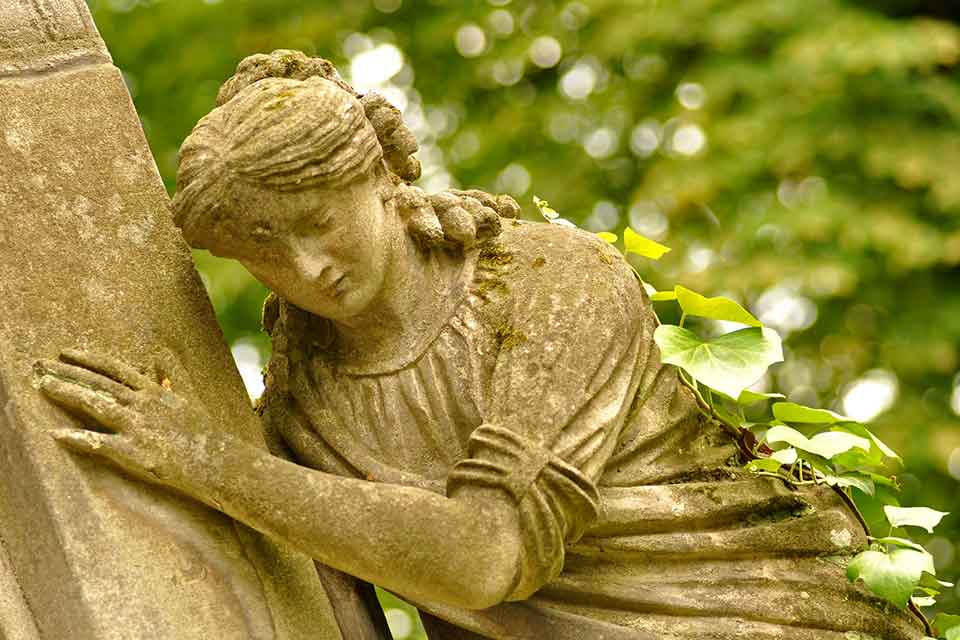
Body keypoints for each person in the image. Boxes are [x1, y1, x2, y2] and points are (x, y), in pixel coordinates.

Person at [36, 51, 927, 640]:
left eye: (318, 222)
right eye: (265, 251)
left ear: (382, 178)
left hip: (765, 618)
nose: (307, 268)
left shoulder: (550, 285)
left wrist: (201, 458)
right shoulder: (306, 401)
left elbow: (486, 556)